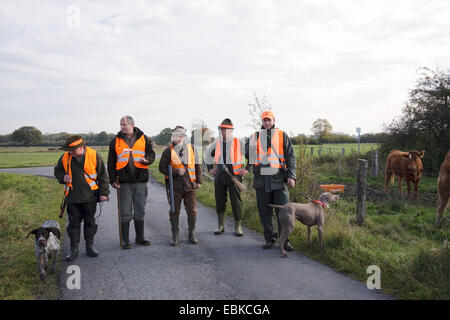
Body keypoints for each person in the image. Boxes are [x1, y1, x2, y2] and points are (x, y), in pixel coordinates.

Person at [245, 110, 297, 250]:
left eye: (269, 120)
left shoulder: (282, 135)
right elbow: (248, 157)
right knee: (264, 212)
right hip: (261, 181)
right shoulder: (254, 137)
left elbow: (290, 157)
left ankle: (285, 241)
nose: (267, 123)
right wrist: (250, 148)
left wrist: (291, 176)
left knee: (284, 212)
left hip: (279, 180)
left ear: (274, 120)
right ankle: (270, 238)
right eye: (264, 120)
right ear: (261, 122)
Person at [54, 135, 109, 261]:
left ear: (81, 147)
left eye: (73, 150)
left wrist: (104, 193)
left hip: (90, 197)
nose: (71, 152)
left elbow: (103, 176)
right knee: (73, 224)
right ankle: (74, 250)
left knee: (90, 222)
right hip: (72, 198)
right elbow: (57, 172)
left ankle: (90, 247)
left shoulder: (94, 155)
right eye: (69, 150)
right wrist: (63, 177)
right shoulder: (64, 157)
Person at [107, 115, 155, 249]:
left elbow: (152, 154)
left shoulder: (144, 139)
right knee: (125, 210)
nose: (122, 127)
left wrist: (147, 159)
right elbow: (111, 163)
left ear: (132, 124)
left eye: (124, 124)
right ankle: (125, 240)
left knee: (140, 208)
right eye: (121, 124)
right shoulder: (115, 141)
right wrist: (112, 179)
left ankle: (140, 238)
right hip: (124, 181)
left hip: (140, 180)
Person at [159, 126, 202, 246]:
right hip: (174, 187)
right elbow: (161, 168)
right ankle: (175, 235)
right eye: (172, 135)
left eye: (175, 135)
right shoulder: (168, 152)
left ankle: (191, 234)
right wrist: (175, 172)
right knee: (174, 211)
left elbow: (198, 165)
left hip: (190, 186)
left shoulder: (192, 149)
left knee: (192, 211)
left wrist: (199, 181)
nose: (172, 137)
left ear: (181, 137)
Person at [206, 118, 248, 236]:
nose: (225, 132)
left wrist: (247, 169)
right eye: (223, 129)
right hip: (220, 176)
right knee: (220, 201)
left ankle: (238, 227)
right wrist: (210, 168)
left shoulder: (238, 142)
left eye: (227, 129)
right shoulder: (217, 143)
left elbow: (252, 156)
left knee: (236, 202)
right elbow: (208, 155)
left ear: (232, 130)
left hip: (235, 177)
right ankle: (220, 226)